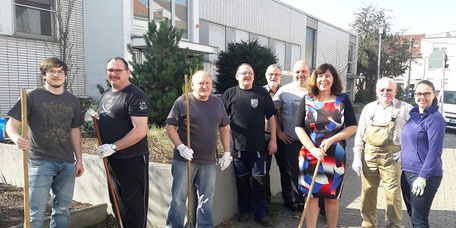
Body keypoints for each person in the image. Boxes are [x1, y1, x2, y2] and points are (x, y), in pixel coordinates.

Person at [6, 57, 84, 227]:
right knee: (36, 213)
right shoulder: (32, 96)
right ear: (44, 75)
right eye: (52, 71)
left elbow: (75, 131)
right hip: (40, 162)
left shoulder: (73, 101)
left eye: (60, 71)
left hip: (67, 163)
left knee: (62, 210)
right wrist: (16, 138)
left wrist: (79, 160)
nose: (56, 75)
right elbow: (11, 125)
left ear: (65, 75)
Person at [89, 57, 151, 227]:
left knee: (134, 207)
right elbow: (111, 122)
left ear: (127, 72)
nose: (113, 74)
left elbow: (139, 131)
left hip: (133, 159)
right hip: (112, 160)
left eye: (118, 70)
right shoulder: (107, 94)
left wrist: (114, 147)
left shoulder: (135, 96)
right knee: (118, 204)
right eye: (110, 70)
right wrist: (94, 120)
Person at [165, 70, 231, 227]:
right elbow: (170, 126)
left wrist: (227, 152)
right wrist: (180, 146)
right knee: (178, 200)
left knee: (206, 200)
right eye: (201, 83)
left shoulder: (217, 103)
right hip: (184, 160)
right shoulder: (183, 102)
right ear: (192, 84)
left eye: (208, 83)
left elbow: (224, 128)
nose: (205, 86)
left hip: (208, 161)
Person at [295, 63, 357, 228]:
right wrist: (312, 149)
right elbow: (298, 127)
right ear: (315, 79)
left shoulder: (342, 100)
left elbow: (352, 126)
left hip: (334, 157)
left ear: (333, 78)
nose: (324, 79)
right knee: (311, 197)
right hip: (310, 155)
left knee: (331, 198)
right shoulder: (306, 100)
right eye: (320, 76)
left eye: (328, 75)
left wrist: (332, 139)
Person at [221, 63, 277, 226]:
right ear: (237, 76)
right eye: (244, 73)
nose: (247, 76)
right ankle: (244, 211)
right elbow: (221, 121)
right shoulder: (229, 94)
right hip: (237, 148)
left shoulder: (261, 93)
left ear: (253, 76)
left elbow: (272, 117)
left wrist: (273, 140)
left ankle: (261, 213)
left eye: (250, 73)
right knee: (242, 182)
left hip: (259, 148)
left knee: (260, 182)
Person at [352, 77, 412, 228]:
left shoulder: (405, 108)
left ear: (396, 91)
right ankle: (368, 224)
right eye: (382, 90)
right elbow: (360, 135)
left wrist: (404, 150)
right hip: (369, 154)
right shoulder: (369, 108)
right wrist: (357, 157)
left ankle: (394, 225)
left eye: (389, 90)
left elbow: (414, 134)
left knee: (393, 193)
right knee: (368, 191)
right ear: (377, 91)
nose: (386, 92)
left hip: (392, 157)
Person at [401, 80, 446, 228]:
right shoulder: (414, 116)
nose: (422, 97)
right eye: (419, 93)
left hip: (423, 175)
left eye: (427, 93)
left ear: (434, 95)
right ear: (414, 95)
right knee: (413, 216)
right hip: (407, 172)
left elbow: (435, 151)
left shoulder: (435, 118)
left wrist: (423, 177)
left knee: (420, 220)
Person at [272, 60, 310, 210]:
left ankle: (320, 205)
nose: (300, 75)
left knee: (314, 174)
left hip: (313, 142)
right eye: (297, 72)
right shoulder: (285, 91)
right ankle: (302, 202)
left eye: (303, 72)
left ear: (309, 73)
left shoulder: (315, 90)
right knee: (295, 172)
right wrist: (280, 132)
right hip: (292, 141)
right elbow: (272, 112)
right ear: (293, 74)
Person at [263, 64, 296, 211]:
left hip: (284, 138)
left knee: (286, 170)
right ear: (266, 75)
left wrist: (281, 134)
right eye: (270, 74)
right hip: (264, 137)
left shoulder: (286, 92)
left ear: (281, 76)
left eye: (276, 74)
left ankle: (289, 200)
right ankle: (265, 202)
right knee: (264, 171)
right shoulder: (260, 92)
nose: (273, 77)